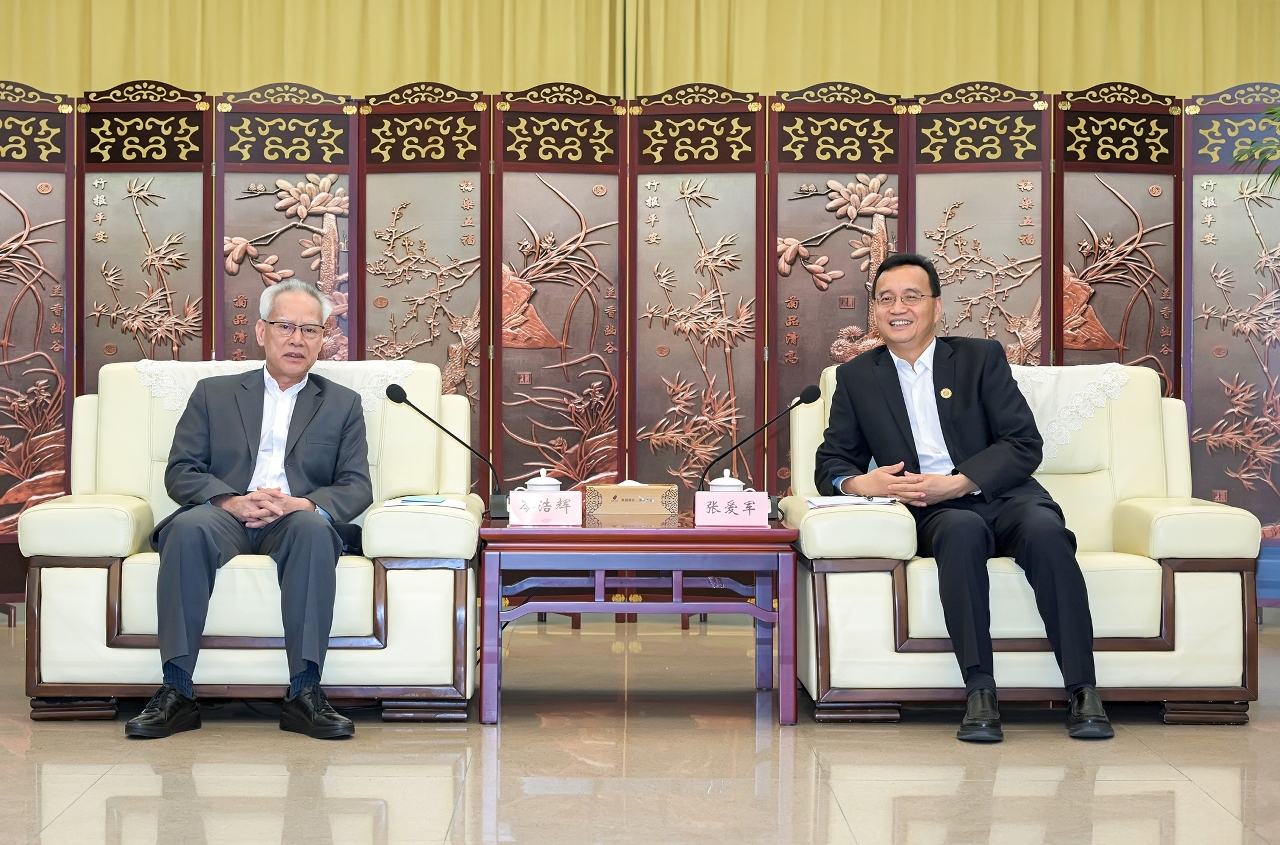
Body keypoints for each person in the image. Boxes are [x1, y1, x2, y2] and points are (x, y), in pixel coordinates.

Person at [814, 253, 1112, 742]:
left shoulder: (980, 358)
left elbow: (1023, 443)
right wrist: (863, 484)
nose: (897, 308)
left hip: (1005, 494)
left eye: (911, 296)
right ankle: (979, 691)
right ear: (875, 312)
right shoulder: (857, 378)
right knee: (962, 531)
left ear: (936, 306)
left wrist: (961, 481)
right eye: (886, 299)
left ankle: (1083, 689)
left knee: (1046, 533)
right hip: (932, 509)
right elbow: (832, 462)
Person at [125, 279, 372, 740]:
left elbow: (356, 485)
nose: (297, 339)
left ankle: (305, 693)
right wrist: (230, 501)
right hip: (225, 514)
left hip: (294, 519)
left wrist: (302, 503)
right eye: (285, 326)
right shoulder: (213, 394)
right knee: (188, 529)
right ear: (261, 331)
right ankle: (176, 691)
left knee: (314, 531)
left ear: (323, 338)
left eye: (310, 330)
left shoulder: (342, 404)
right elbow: (181, 471)